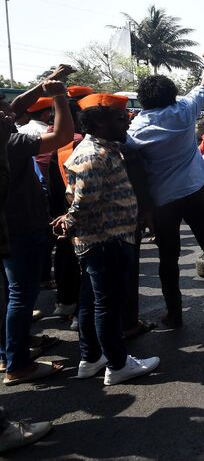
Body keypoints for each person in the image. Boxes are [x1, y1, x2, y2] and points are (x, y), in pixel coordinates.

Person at [127, 50, 204, 328]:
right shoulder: (183, 110)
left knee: (168, 258)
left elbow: (134, 167)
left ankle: (174, 313)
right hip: (194, 193)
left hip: (162, 202)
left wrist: (144, 207)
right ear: (171, 95)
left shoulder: (134, 129)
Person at [52, 93, 160, 385]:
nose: (126, 122)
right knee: (107, 305)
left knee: (90, 302)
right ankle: (118, 363)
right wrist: (68, 223)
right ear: (99, 122)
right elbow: (84, 202)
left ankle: (91, 358)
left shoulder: (107, 148)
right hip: (105, 242)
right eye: (119, 118)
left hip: (107, 239)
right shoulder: (93, 155)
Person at [2, 76, 75, 385]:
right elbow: (62, 135)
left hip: (7, 228)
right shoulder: (11, 142)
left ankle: (9, 353)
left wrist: (43, 84)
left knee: (6, 295)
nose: (9, 111)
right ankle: (18, 364)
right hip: (21, 226)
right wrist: (59, 96)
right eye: (2, 110)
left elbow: (18, 106)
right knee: (21, 295)